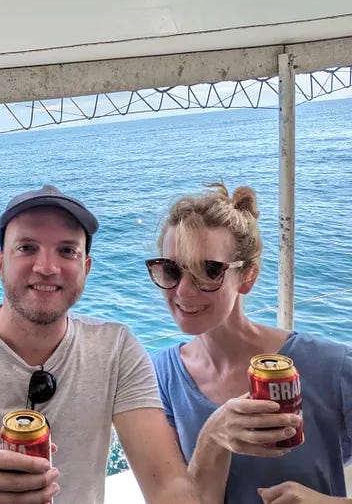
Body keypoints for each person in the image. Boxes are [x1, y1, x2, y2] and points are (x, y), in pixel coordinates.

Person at [0, 184, 201, 504]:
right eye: (27, 248)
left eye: (67, 250)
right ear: (0, 262)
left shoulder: (116, 348)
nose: (46, 267)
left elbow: (167, 483)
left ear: (85, 267)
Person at [148, 182, 352, 504]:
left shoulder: (331, 367)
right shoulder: (159, 377)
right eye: (171, 270)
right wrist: (213, 438)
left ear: (247, 278)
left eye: (208, 271)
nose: (184, 291)